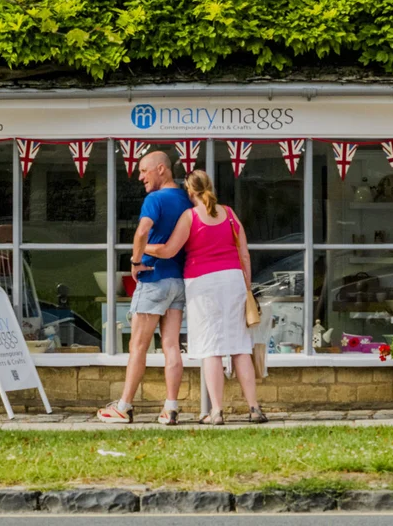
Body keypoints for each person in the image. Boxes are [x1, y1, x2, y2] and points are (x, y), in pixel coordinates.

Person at [144, 170, 268, 425]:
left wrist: (142, 247)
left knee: (211, 348)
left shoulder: (190, 217)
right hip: (233, 280)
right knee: (239, 347)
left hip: (202, 282)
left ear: (189, 191)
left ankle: (217, 412)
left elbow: (169, 251)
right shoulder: (230, 214)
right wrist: (245, 288)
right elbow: (244, 255)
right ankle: (255, 408)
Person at [97, 151, 193, 425]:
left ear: (161, 169)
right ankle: (170, 408)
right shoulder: (186, 199)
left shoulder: (155, 199)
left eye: (143, 171)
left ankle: (124, 406)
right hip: (178, 280)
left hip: (153, 279)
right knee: (172, 346)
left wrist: (136, 261)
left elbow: (142, 231)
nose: (140, 177)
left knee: (138, 345)